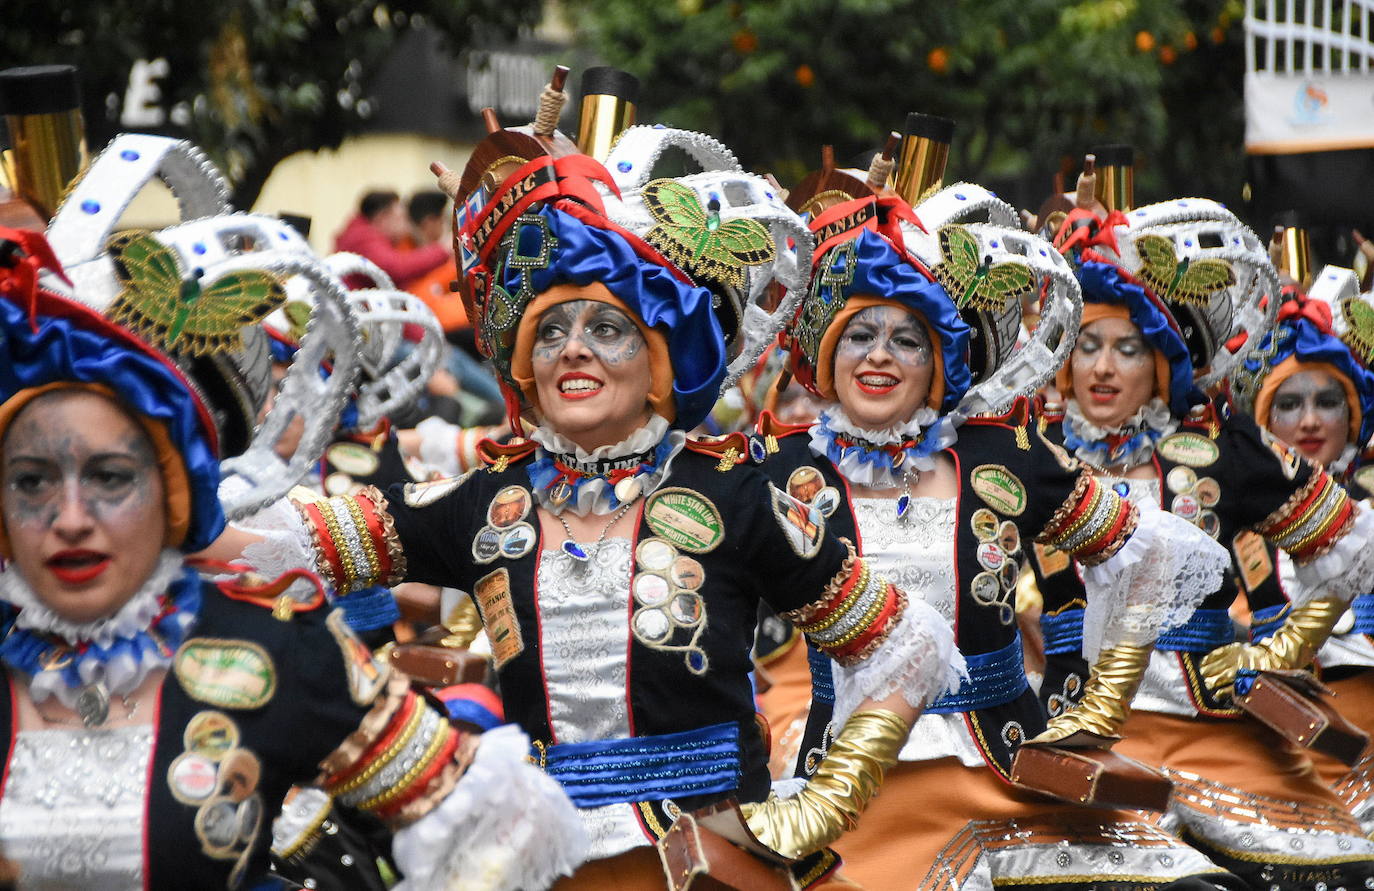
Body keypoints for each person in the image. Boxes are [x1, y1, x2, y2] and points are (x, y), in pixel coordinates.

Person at [227, 121, 965, 887]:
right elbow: (284, 542)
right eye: (549, 331)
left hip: (712, 867)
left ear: (658, 357)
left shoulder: (732, 493)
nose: (573, 348)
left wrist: (816, 808)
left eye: (607, 327)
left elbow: (904, 644)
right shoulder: (489, 499)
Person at [0, 226, 585, 890]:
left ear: (170, 487)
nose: (70, 518)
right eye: (32, 481)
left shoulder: (273, 645)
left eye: (110, 477)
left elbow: (498, 832)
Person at [756, 166, 1235, 889]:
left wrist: (1102, 706)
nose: (881, 354)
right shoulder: (775, 469)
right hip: (847, 794)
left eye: (908, 339)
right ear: (826, 353)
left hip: (1009, 774)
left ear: (941, 360)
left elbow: (1145, 549)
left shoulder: (999, 453)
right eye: (859, 334)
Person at [1031, 196, 1374, 888]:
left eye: (1126, 348)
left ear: (1159, 362)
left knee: (1342, 875)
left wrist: (1278, 650)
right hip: (1072, 729)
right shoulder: (1026, 460)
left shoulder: (1222, 450)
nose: (1102, 368)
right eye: (1087, 346)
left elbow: (1351, 544)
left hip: (1211, 726)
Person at [1230, 269, 1374, 832]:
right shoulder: (1231, 524)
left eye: (1327, 402)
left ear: (1354, 413)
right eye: (1289, 403)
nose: (1310, 420)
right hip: (1271, 759)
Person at [335, 190, 450, 289]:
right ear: (383, 218)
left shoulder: (359, 233)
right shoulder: (363, 237)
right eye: (401, 217)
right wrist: (443, 250)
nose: (406, 225)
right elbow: (397, 268)